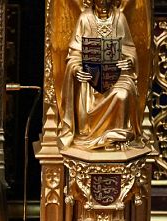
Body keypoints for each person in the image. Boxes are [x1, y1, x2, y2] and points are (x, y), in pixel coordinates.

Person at [59, 0, 142, 149]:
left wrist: (129, 61)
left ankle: (118, 138)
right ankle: (90, 135)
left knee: (123, 94)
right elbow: (74, 54)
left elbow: (129, 49)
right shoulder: (85, 18)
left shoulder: (119, 18)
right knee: (88, 95)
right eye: (99, 0)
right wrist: (77, 69)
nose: (102, 3)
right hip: (91, 78)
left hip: (117, 75)